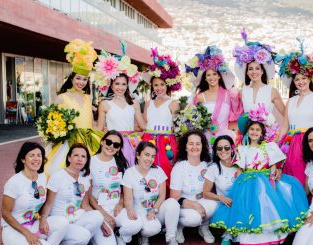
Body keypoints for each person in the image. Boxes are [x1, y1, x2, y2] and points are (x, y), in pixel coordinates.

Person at [210, 106, 308, 245]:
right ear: (247, 131)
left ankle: (273, 236)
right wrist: (239, 174)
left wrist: (275, 172)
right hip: (247, 180)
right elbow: (240, 167)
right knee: (246, 206)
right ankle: (235, 235)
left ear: (262, 132)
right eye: (252, 129)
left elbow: (274, 163)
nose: (254, 132)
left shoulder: (269, 146)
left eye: (257, 130)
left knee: (269, 207)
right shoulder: (242, 148)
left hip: (265, 178)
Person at [1, 142, 67, 245]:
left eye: (39, 155)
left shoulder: (42, 177)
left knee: (62, 222)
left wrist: (43, 218)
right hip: (13, 230)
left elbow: (42, 204)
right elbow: (5, 214)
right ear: (23, 159)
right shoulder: (14, 182)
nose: (36, 159)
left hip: (33, 224)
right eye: (31, 155)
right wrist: (27, 234)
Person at [276, 43, 313, 185]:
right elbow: (285, 125)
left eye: (304, 78)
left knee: (305, 175)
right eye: (297, 79)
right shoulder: (291, 100)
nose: (300, 81)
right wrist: (276, 143)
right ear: (293, 82)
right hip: (290, 143)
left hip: (307, 143)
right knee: (288, 174)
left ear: (309, 79)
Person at [45, 39, 102, 176]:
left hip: (89, 141)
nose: (81, 82)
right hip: (68, 142)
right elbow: (52, 123)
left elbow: (92, 123)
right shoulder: (62, 97)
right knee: (63, 172)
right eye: (78, 78)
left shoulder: (88, 98)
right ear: (72, 78)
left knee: (89, 174)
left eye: (84, 79)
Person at [40, 143, 103, 245]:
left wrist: (102, 223)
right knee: (83, 235)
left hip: (75, 218)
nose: (80, 159)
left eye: (83, 156)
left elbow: (85, 205)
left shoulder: (85, 178)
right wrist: (43, 219)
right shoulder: (57, 176)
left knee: (98, 216)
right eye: (76, 155)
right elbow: (48, 203)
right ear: (69, 158)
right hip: (60, 222)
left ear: (86, 160)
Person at [88, 131, 143, 245]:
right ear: (102, 142)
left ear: (119, 149)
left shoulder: (121, 163)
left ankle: (120, 235)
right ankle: (92, 239)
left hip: (117, 208)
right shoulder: (90, 162)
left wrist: (121, 203)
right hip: (98, 209)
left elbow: (125, 189)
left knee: (137, 224)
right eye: (108, 142)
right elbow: (88, 195)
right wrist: (103, 214)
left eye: (116, 145)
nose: (111, 146)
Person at [122, 141, 182, 245]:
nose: (149, 159)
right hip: (139, 212)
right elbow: (128, 198)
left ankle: (171, 239)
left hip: (155, 210)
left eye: (153, 156)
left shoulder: (158, 171)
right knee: (152, 229)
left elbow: (162, 196)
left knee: (173, 203)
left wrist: (154, 210)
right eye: (146, 155)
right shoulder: (129, 173)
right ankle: (142, 235)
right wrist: (130, 210)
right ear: (138, 155)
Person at [95, 49, 146, 167]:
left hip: (132, 143)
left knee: (132, 171)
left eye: (124, 84)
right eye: (117, 84)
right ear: (111, 85)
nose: (120, 87)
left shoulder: (134, 103)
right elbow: (99, 128)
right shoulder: (105, 103)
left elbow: (142, 126)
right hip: (113, 144)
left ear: (128, 85)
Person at [185, 45, 242, 144]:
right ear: (205, 78)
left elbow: (239, 115)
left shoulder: (230, 95)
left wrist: (226, 128)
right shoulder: (199, 97)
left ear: (219, 76)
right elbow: (192, 119)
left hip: (224, 140)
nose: (212, 77)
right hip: (204, 140)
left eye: (214, 74)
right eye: (208, 75)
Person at [141, 49, 181, 185]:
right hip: (148, 139)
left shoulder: (173, 103)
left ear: (167, 85)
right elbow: (143, 124)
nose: (159, 88)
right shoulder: (148, 103)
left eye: (162, 85)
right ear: (152, 86)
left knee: (166, 167)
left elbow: (177, 127)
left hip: (166, 141)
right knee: (146, 168)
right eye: (156, 85)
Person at [170, 130, 217, 244]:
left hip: (202, 201)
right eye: (191, 144)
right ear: (185, 147)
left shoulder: (207, 164)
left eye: (198, 143)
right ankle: (179, 227)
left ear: (202, 146)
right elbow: (174, 198)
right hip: (184, 206)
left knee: (217, 205)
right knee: (194, 219)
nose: (194, 147)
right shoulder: (179, 167)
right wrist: (194, 205)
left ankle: (204, 227)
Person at [233, 29, 285, 118]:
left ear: (262, 71)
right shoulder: (242, 92)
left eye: (257, 68)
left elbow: (286, 115)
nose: (254, 72)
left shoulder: (272, 91)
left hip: (267, 131)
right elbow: (239, 118)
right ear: (247, 72)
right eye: (250, 69)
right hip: (248, 131)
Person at [202, 135, 238, 245]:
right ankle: (227, 234)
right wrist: (220, 198)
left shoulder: (240, 165)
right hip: (224, 204)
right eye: (220, 148)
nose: (223, 151)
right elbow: (206, 193)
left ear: (232, 149)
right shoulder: (213, 168)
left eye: (227, 148)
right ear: (216, 151)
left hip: (240, 202)